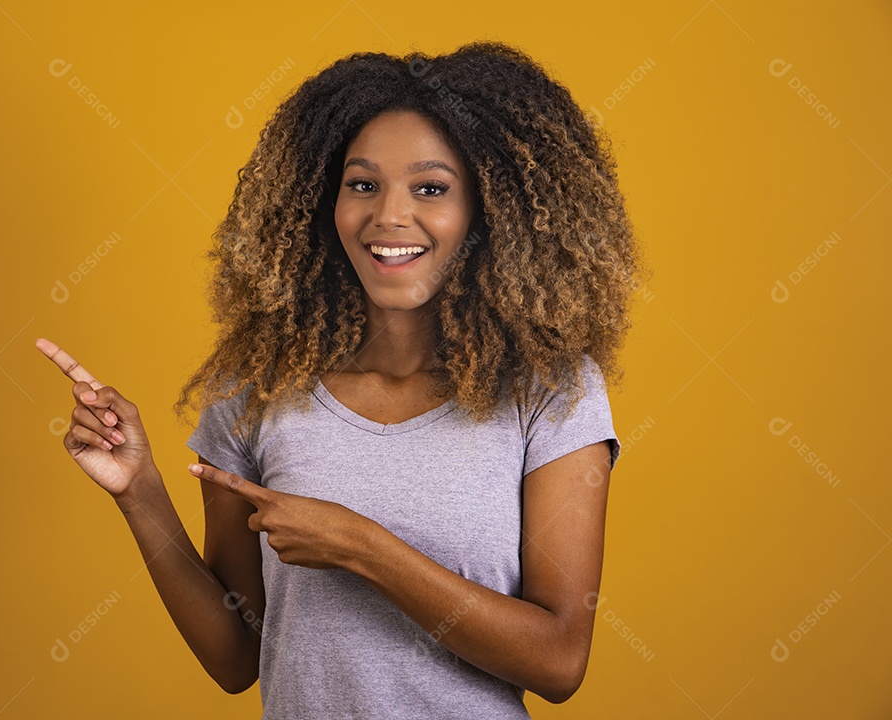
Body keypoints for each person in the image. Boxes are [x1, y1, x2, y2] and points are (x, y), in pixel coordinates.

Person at [37, 39, 647, 718]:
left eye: (431, 188)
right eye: (362, 184)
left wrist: (363, 546)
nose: (388, 216)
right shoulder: (259, 385)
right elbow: (238, 656)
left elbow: (560, 660)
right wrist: (140, 490)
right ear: (323, 203)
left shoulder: (550, 391)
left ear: (488, 210)